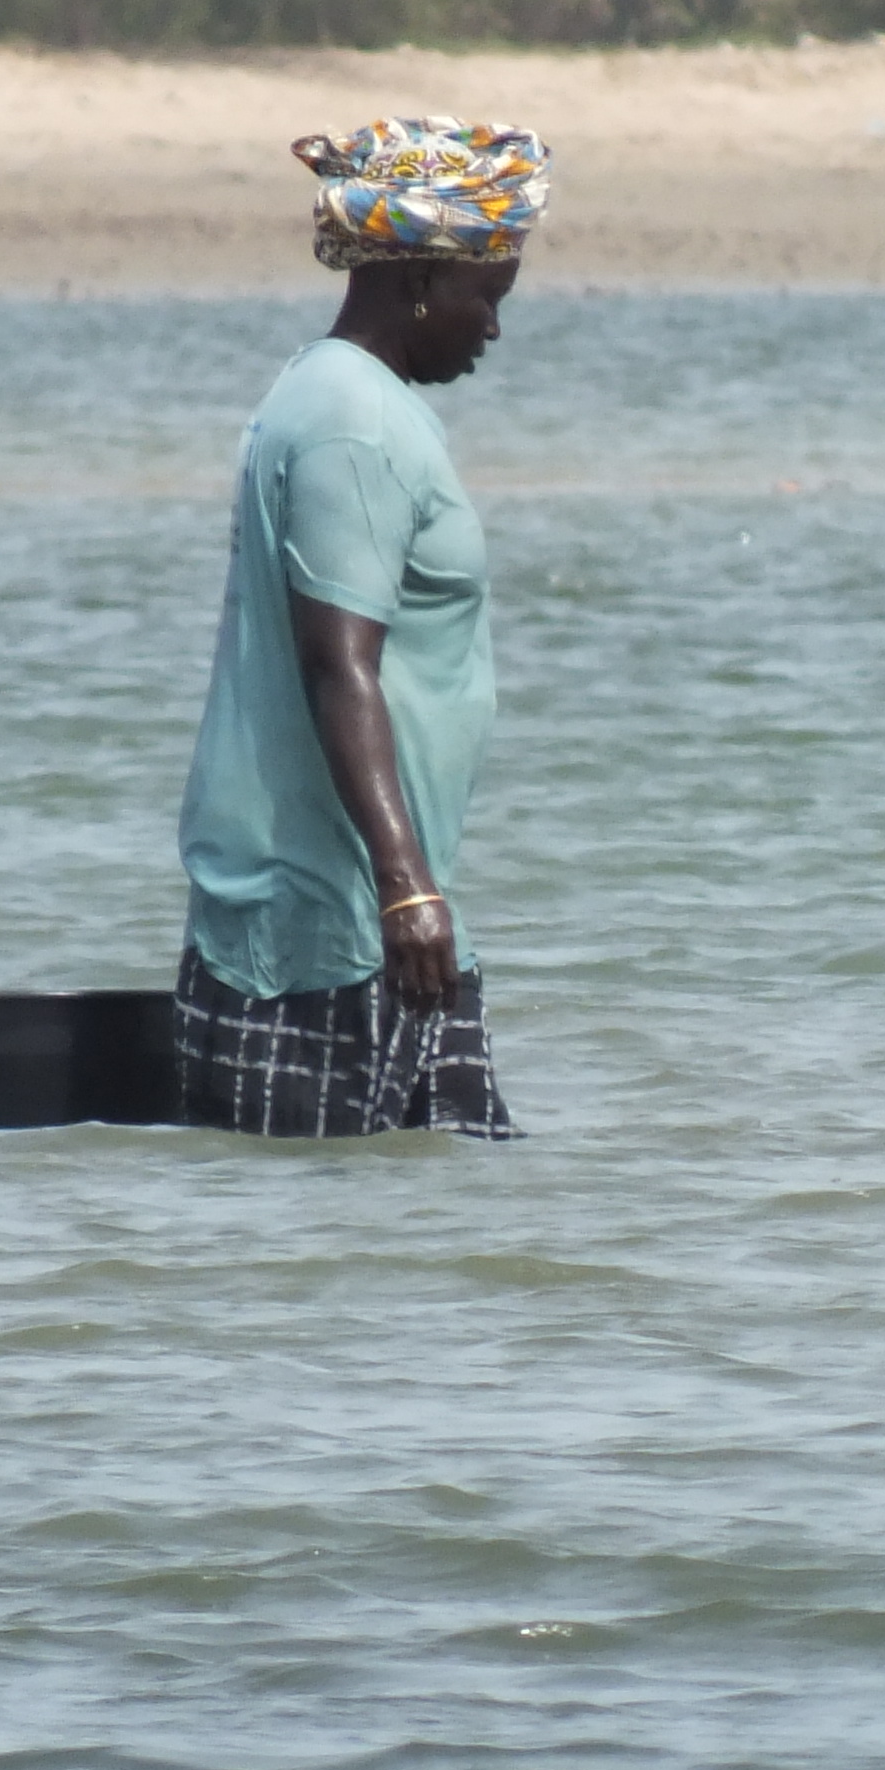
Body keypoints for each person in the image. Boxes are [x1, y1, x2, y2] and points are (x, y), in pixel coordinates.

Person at [170, 118, 547, 1139]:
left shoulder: (346, 398)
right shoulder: (351, 426)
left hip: (380, 930)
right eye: (486, 298)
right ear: (419, 278)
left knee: (441, 1217)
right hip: (328, 946)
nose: (492, 329)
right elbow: (339, 667)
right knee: (334, 1214)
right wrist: (404, 888)